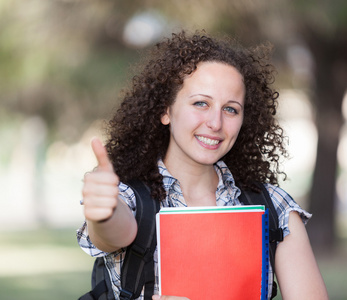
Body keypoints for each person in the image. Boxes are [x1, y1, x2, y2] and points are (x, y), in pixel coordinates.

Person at [77, 30, 328, 300]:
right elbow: (114, 231)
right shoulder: (131, 199)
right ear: (166, 111)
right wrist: (104, 212)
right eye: (201, 103)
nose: (216, 123)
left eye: (230, 109)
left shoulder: (274, 207)